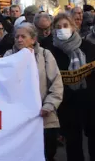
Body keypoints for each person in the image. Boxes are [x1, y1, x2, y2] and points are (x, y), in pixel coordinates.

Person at [3, 23, 63, 160]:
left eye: (23, 36)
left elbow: (56, 83)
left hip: (44, 117)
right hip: (18, 119)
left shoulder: (45, 55)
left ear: (33, 39)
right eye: (17, 36)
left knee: (47, 153)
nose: (19, 40)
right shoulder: (8, 55)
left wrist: (49, 106)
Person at [49, 12, 95, 161]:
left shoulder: (89, 47)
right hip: (67, 103)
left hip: (90, 101)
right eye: (58, 27)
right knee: (73, 142)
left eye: (65, 26)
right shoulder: (51, 52)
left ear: (73, 27)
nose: (62, 29)